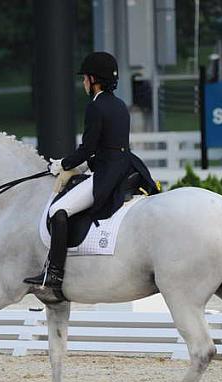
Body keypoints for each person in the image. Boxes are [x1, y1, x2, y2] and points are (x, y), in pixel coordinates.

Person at [24, 51, 159, 290]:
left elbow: (87, 148)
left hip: (107, 173)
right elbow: (107, 145)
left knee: (58, 210)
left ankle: (54, 273)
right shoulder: (119, 105)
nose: (84, 82)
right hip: (125, 164)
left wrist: (62, 164)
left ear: (93, 80)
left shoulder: (95, 108)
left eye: (85, 78)